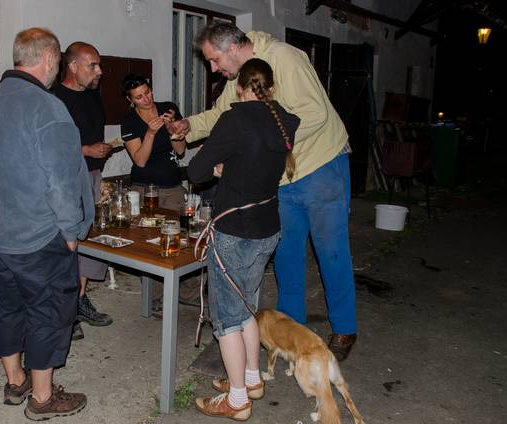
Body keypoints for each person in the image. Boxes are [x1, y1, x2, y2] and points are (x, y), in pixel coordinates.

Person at [170, 22, 358, 361]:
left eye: (214, 59)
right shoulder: (239, 78)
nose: (212, 68)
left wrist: (267, 145)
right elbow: (222, 115)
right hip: (280, 174)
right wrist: (189, 126)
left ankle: (344, 327)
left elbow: (315, 113)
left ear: (232, 49)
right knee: (286, 253)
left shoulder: (285, 58)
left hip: (321, 166)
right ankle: (291, 328)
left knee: (330, 250)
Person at [0, 28, 91, 420]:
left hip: (0, 234)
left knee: (8, 306)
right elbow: (62, 180)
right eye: (58, 60)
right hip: (40, 236)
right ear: (49, 58)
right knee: (50, 312)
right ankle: (42, 399)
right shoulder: (47, 107)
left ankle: (16, 381)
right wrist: (70, 232)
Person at [187, 58, 300, 420]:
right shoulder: (284, 120)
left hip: (235, 231)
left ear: (239, 87)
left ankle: (237, 400)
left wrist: (220, 168)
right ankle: (251, 379)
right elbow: (255, 165)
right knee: (247, 307)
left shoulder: (235, 119)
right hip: (268, 228)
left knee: (227, 320)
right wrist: (231, 167)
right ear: (271, 87)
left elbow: (196, 170)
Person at [54, 42, 113, 338]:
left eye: (99, 65)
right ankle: (64, 312)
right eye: (93, 65)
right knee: (67, 243)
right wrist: (86, 150)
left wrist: (98, 155)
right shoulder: (54, 99)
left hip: (91, 176)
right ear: (73, 66)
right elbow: (49, 147)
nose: (99, 71)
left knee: (88, 240)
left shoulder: (92, 95)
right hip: (65, 180)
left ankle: (78, 301)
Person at [120, 74, 186, 210]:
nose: (146, 99)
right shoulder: (129, 121)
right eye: (139, 97)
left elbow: (180, 150)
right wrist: (150, 134)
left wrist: (172, 129)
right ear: (130, 100)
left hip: (173, 188)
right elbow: (140, 161)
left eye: (147, 92)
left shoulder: (168, 108)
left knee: (176, 223)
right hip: (144, 189)